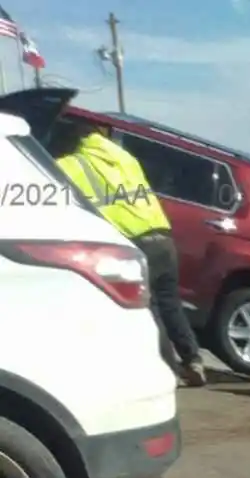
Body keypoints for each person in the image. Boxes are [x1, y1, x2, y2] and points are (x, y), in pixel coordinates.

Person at [52, 119, 207, 386]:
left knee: (147, 310)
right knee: (170, 303)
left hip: (133, 243)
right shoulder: (123, 156)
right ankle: (193, 359)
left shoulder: (68, 164)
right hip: (162, 236)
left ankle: (169, 371)